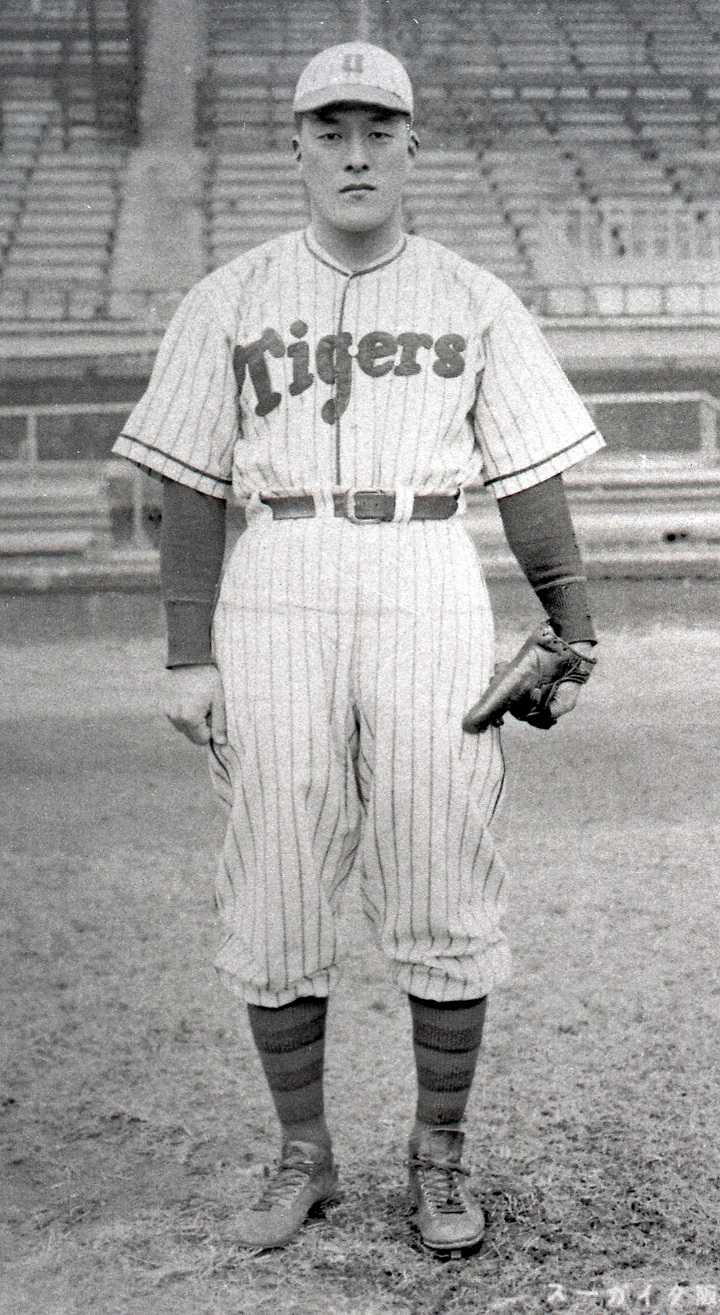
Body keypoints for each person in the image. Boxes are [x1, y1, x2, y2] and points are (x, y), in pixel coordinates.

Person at [112, 42, 603, 1256]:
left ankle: (439, 1153)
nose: (354, 152)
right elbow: (192, 486)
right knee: (277, 867)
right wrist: (188, 650)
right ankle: (305, 1155)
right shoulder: (227, 297)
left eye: (378, 130)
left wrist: (572, 621)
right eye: (330, 130)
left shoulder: (472, 294)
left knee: (441, 846)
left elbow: (530, 476)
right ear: (295, 149)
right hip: (273, 576)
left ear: (411, 148)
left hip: (426, 565)